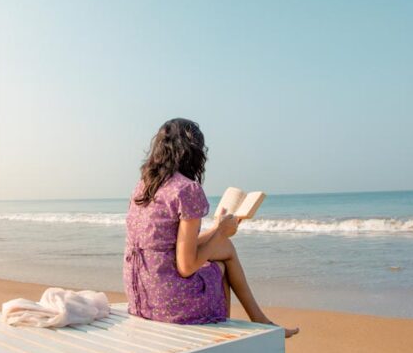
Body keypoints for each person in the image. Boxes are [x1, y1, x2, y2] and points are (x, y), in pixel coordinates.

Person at [123, 117, 299, 338]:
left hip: (141, 296)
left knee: (225, 248)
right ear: (193, 151)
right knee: (220, 267)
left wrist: (217, 232)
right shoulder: (186, 189)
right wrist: (221, 232)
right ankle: (228, 337)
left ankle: (260, 320)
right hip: (168, 303)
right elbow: (186, 266)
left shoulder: (142, 187)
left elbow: (165, 246)